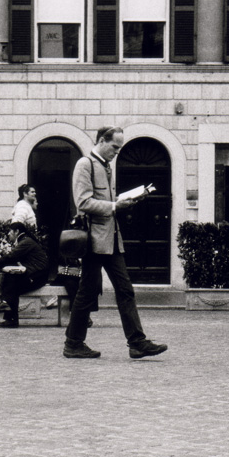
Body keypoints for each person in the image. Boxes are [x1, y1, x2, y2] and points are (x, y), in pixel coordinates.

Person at [62, 127, 168, 359]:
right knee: (89, 293)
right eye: (115, 147)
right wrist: (113, 206)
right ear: (102, 141)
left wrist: (124, 200)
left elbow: (102, 201)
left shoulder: (106, 166)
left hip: (110, 239)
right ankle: (74, 343)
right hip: (94, 240)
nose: (117, 153)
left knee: (122, 290)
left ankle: (135, 342)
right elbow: (83, 202)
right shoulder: (85, 164)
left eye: (120, 149)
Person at [0, 221, 49, 328]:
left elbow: (11, 257)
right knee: (11, 281)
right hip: (36, 275)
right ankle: (10, 318)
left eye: (10, 231)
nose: (8, 234)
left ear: (17, 231)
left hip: (38, 277)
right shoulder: (25, 240)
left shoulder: (26, 242)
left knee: (11, 281)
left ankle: (8, 312)